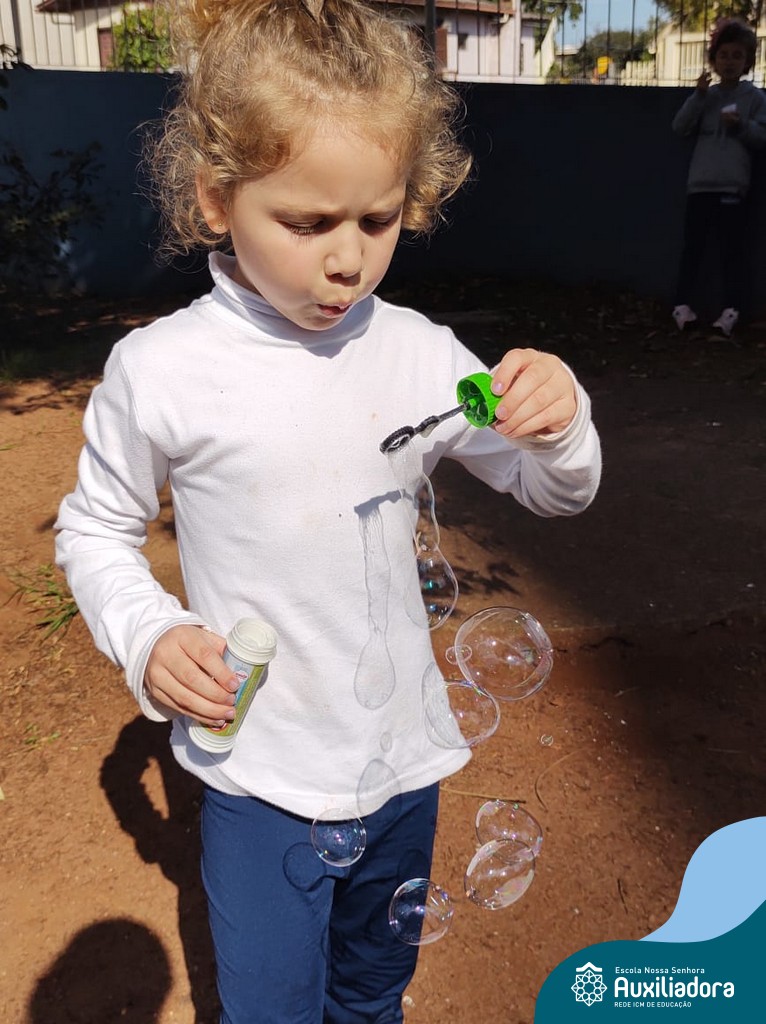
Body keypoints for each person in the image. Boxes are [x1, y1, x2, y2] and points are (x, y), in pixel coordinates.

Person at [55, 2, 601, 1022]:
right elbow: (93, 528)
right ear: (217, 198)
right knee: (272, 1006)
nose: (347, 259)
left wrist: (561, 424)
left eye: (377, 220)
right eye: (307, 224)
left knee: (372, 990)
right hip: (258, 775)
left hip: (403, 762)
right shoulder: (162, 370)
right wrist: (149, 633)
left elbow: (553, 488)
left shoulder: (422, 355)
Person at [671, 17, 766, 337]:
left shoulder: (755, 98)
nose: (729, 62)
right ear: (713, 60)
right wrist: (697, 97)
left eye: (737, 56)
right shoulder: (706, 96)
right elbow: (680, 127)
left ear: (747, 61)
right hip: (700, 185)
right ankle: (682, 306)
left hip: (733, 186)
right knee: (693, 248)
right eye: (723, 55)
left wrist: (741, 126)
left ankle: (732, 309)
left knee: (732, 250)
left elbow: (762, 137)